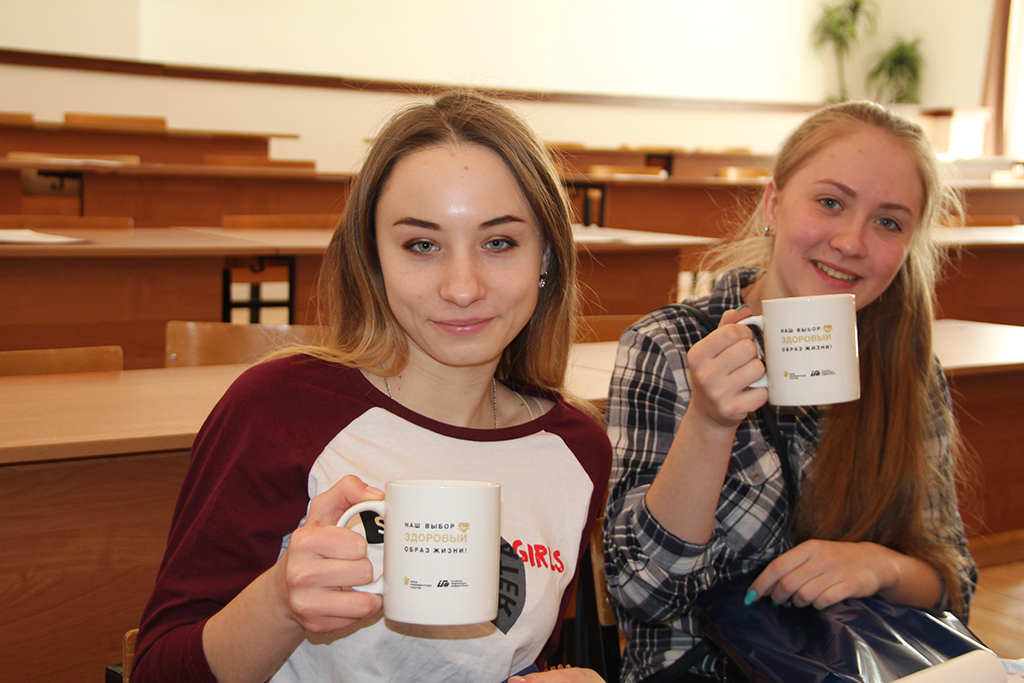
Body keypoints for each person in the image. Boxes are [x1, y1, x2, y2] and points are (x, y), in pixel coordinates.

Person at [132, 91, 612, 683]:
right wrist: (280, 603)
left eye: (498, 242)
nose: (463, 287)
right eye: (422, 245)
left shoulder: (577, 450)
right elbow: (156, 672)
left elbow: (502, 654)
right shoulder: (279, 410)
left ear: (547, 258)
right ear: (373, 259)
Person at [603, 100, 977, 683]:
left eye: (889, 222)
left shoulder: (906, 367)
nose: (851, 242)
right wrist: (709, 423)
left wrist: (878, 566)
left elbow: (954, 585)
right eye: (830, 203)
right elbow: (643, 593)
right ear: (773, 205)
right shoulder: (671, 345)